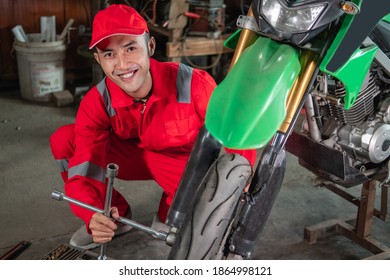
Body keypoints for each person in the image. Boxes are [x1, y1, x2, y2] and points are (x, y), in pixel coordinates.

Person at [50, 4, 256, 250]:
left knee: (199, 213)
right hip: (136, 156)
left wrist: (242, 173)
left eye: (130, 48)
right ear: (98, 60)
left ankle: (168, 209)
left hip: (184, 162)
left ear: (150, 47)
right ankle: (115, 217)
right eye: (109, 54)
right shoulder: (97, 101)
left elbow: (235, 129)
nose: (122, 64)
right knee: (65, 140)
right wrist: (91, 215)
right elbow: (84, 167)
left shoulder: (193, 84)